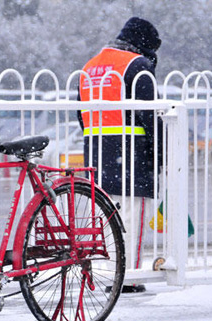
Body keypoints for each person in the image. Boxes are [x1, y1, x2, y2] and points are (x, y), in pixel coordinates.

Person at [78, 17, 162, 292]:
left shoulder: (91, 66)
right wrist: (161, 153)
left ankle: (110, 273)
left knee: (106, 220)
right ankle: (129, 277)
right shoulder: (136, 67)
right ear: (143, 46)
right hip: (132, 157)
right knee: (132, 219)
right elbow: (149, 117)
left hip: (97, 156)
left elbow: (81, 115)